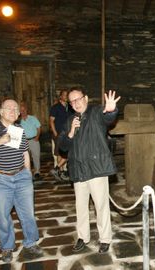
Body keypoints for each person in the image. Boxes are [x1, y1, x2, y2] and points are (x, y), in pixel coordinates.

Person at [59, 88, 120, 254]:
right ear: (70, 105)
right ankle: (83, 237)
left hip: (96, 168)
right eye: (72, 101)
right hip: (78, 170)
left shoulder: (96, 112)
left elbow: (108, 117)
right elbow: (62, 146)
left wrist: (111, 109)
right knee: (80, 206)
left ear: (85, 98)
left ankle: (105, 238)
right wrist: (71, 132)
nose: (76, 103)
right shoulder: (70, 120)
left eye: (78, 99)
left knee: (101, 206)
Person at [0, 99, 43, 262]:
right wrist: (0, 141)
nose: (12, 111)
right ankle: (7, 247)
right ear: (1, 112)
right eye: (8, 108)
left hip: (21, 177)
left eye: (15, 109)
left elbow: (25, 152)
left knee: (28, 214)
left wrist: (27, 173)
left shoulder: (19, 129)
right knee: (3, 216)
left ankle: (31, 242)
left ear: (18, 114)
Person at [49, 89, 71, 181]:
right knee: (59, 153)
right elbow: (51, 121)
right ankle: (60, 172)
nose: (66, 96)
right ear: (61, 97)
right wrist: (55, 133)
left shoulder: (70, 107)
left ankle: (57, 170)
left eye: (67, 95)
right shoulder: (55, 107)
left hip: (68, 133)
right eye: (64, 95)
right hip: (59, 133)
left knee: (67, 152)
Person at [19, 102, 42, 179]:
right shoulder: (18, 121)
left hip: (33, 139)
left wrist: (37, 137)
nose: (23, 112)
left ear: (26, 110)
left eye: (24, 110)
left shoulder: (33, 118)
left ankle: (37, 172)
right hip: (24, 141)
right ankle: (27, 172)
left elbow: (39, 127)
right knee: (24, 158)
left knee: (36, 156)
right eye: (21, 110)